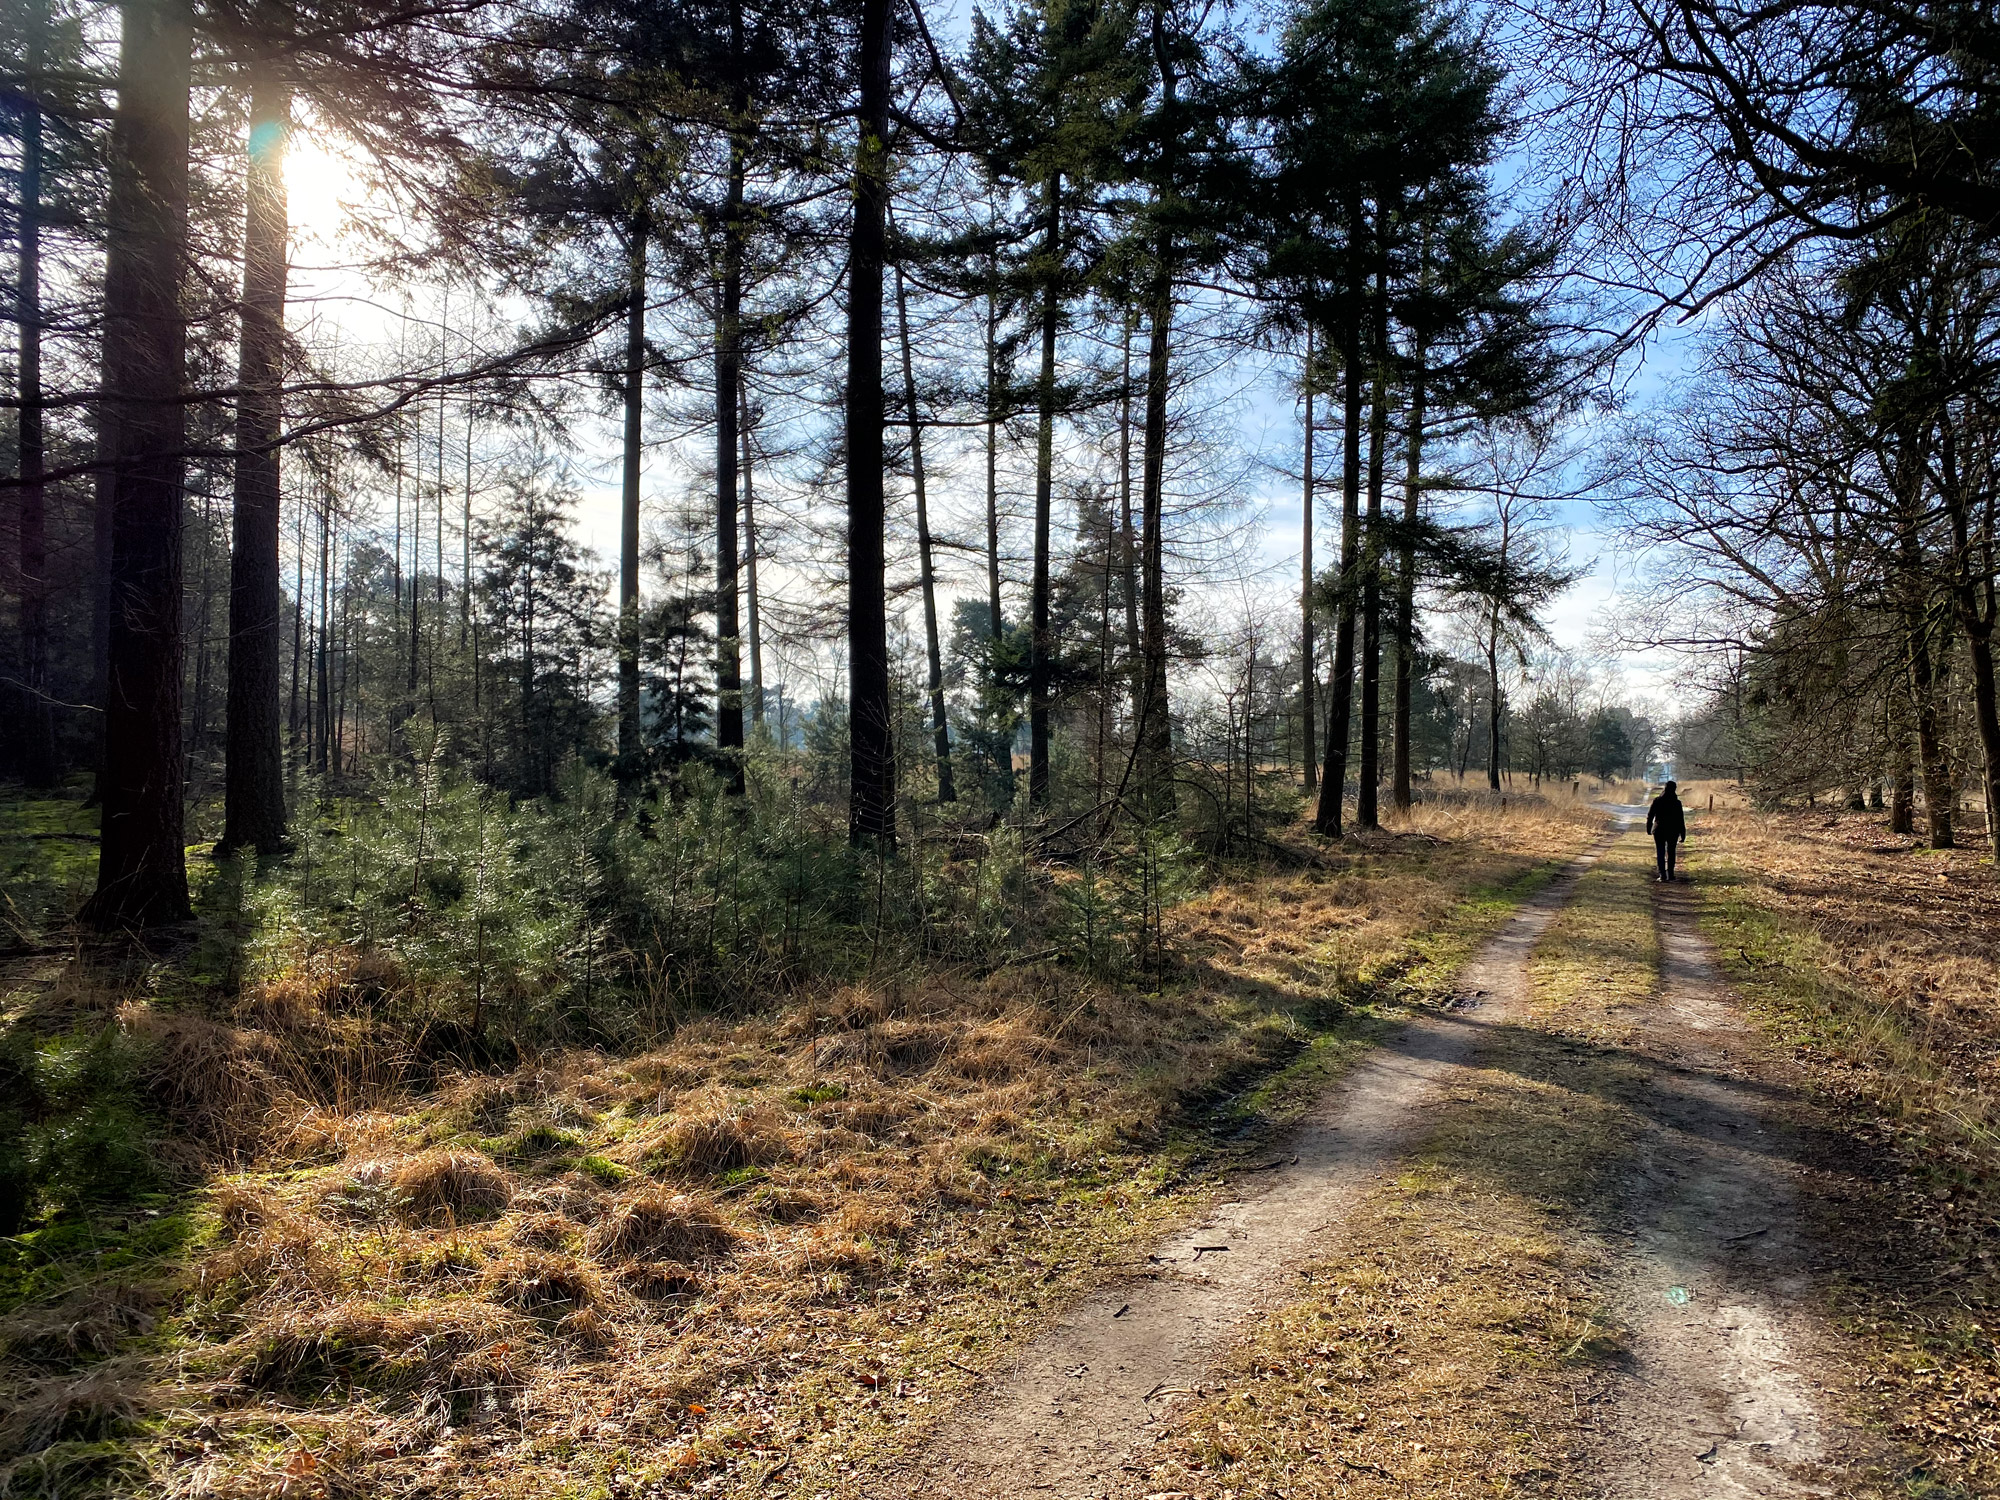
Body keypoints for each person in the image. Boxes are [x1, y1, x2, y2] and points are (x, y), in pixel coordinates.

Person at [1647, 780, 1687, 880]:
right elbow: (1680, 819)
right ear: (1674, 789)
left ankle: (1662, 874)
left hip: (1659, 830)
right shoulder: (1677, 803)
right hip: (1673, 831)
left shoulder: (1657, 800)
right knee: (1671, 851)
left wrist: (1649, 828)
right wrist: (1683, 833)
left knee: (1660, 851)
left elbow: (1650, 815)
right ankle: (1671, 874)